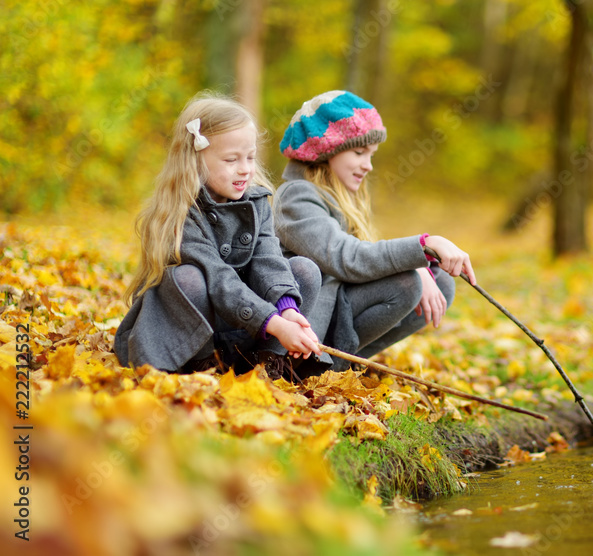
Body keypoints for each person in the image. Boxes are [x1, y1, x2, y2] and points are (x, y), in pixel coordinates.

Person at [114, 93, 322, 378]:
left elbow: (268, 258)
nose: (245, 169)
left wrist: (286, 309)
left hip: (248, 328)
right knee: (187, 277)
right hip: (198, 328)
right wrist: (274, 322)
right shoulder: (180, 212)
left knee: (304, 271)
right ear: (196, 160)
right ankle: (204, 364)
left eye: (250, 157)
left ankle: (268, 363)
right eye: (231, 159)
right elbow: (219, 279)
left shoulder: (256, 201)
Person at [272, 90, 475, 374]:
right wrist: (423, 247)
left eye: (372, 155)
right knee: (407, 283)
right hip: (304, 327)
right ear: (326, 149)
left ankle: (341, 365)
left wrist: (419, 266)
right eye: (358, 152)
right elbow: (345, 257)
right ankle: (312, 368)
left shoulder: (338, 196)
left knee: (440, 283)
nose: (368, 165)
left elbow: (361, 255)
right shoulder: (296, 197)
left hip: (336, 308)